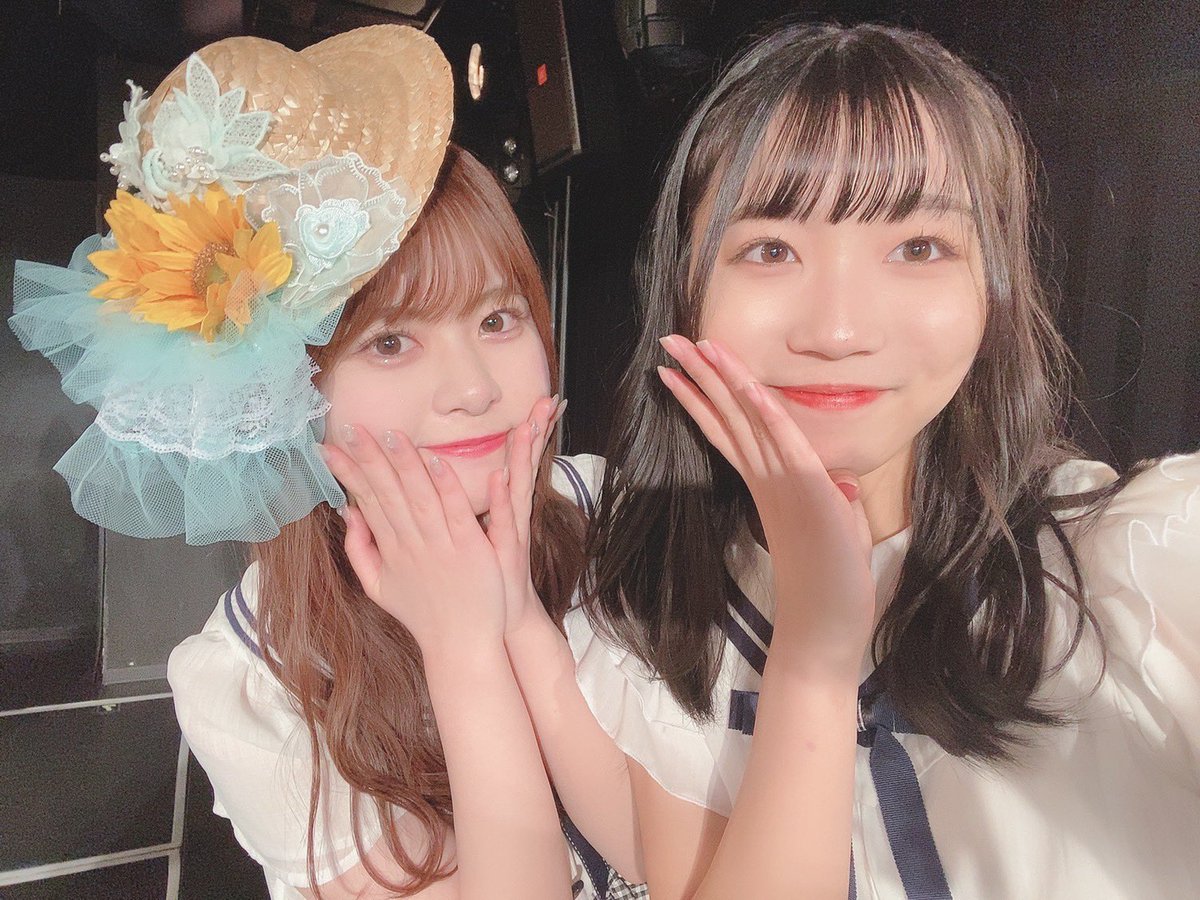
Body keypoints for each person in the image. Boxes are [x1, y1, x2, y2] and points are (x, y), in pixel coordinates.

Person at [570, 21, 1200, 900]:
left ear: (995, 285)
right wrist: (814, 653)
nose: (838, 332)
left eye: (918, 247)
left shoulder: (1130, 563)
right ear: (683, 285)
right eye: (770, 249)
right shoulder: (649, 603)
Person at [9, 26, 642, 900]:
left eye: (498, 320)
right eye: (389, 343)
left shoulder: (607, 510)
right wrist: (463, 649)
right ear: (282, 387)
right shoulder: (256, 684)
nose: (472, 389)